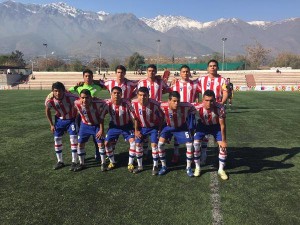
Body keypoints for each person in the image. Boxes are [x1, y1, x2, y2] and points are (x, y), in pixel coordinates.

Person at [157, 91, 196, 176]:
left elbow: (193, 108)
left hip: (181, 127)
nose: (176, 103)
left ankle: (188, 167)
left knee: (189, 145)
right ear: (169, 100)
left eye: (178, 101)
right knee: (160, 144)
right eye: (174, 101)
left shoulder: (186, 106)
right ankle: (164, 166)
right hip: (168, 127)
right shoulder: (162, 106)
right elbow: (156, 108)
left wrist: (190, 119)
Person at [168, 65, 201, 163]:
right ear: (180, 73)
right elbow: (168, 93)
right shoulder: (175, 85)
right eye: (183, 71)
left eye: (187, 71)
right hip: (178, 113)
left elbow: (204, 90)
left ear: (189, 73)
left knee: (191, 133)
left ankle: (191, 154)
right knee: (177, 133)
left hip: (190, 114)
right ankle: (176, 153)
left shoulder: (195, 84)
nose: (185, 73)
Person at [197, 60, 228, 165]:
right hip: (204, 109)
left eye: (214, 66)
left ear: (217, 67)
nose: (212, 67)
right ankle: (204, 154)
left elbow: (225, 92)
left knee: (217, 128)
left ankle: (218, 151)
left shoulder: (223, 80)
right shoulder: (201, 79)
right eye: (210, 66)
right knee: (204, 132)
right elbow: (192, 86)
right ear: (207, 68)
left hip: (216, 109)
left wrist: (220, 103)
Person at [193, 90, 228, 180]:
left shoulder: (220, 108)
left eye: (211, 100)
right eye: (206, 100)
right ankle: (197, 167)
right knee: (196, 144)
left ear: (215, 100)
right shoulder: (196, 107)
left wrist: (224, 141)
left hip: (215, 127)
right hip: (202, 126)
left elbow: (222, 125)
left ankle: (221, 170)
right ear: (202, 100)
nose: (209, 103)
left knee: (223, 147)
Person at [45, 82, 79, 171]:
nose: (58, 93)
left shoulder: (71, 97)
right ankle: (60, 161)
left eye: (60, 91)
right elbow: (47, 110)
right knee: (57, 139)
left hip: (71, 120)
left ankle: (74, 161)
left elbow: (81, 102)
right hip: (59, 121)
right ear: (52, 91)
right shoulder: (50, 99)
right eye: (55, 91)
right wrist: (51, 124)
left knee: (73, 139)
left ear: (63, 91)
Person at [102, 86, 137, 171]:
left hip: (126, 126)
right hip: (114, 126)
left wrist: (136, 130)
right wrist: (101, 130)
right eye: (114, 93)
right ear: (111, 94)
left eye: (118, 93)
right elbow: (101, 117)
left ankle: (130, 163)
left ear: (121, 94)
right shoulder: (108, 104)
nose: (116, 95)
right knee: (106, 143)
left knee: (133, 142)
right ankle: (112, 162)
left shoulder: (127, 103)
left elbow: (134, 117)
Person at [131, 87, 164, 174]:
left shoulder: (155, 104)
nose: (142, 97)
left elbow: (162, 117)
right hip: (141, 128)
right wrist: (136, 130)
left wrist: (160, 129)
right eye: (140, 95)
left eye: (145, 95)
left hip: (153, 128)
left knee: (154, 145)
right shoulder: (133, 104)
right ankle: (140, 166)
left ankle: (155, 166)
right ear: (137, 96)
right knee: (138, 144)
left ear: (148, 96)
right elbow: (135, 119)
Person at [73, 89, 107, 171]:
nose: (84, 100)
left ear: (91, 98)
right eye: (82, 98)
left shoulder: (98, 103)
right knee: (80, 144)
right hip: (85, 126)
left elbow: (107, 102)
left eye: (87, 98)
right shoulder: (77, 103)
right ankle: (82, 163)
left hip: (96, 125)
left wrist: (101, 129)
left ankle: (103, 163)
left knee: (100, 144)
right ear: (80, 98)